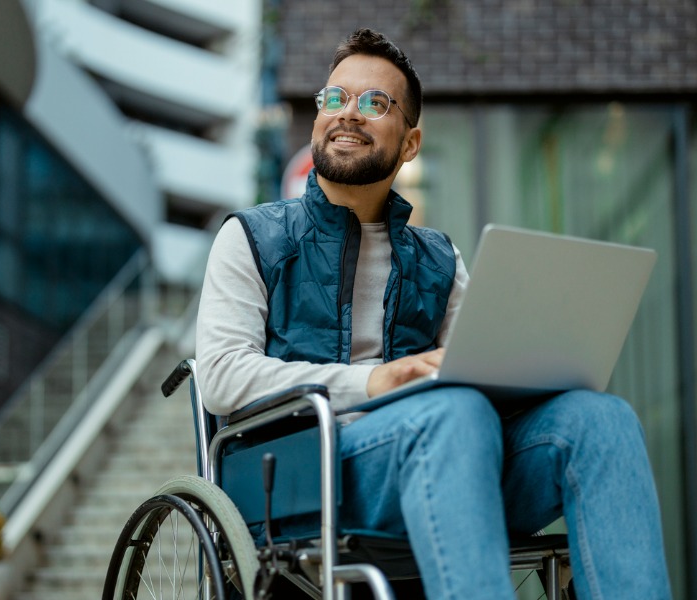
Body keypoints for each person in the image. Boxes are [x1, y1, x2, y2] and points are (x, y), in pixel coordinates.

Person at [196, 28, 672, 600]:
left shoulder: (439, 258)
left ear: (411, 143)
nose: (348, 114)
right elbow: (221, 377)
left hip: (448, 455)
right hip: (304, 471)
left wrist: (531, 374)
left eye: (375, 103)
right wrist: (374, 380)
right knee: (453, 412)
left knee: (600, 420)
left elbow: (475, 370)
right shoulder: (252, 237)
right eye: (335, 98)